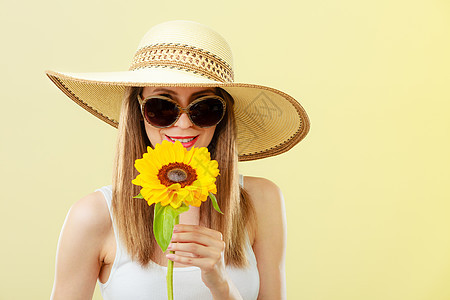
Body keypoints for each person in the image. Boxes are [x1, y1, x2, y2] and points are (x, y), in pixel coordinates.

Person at [47, 20, 310, 300]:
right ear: (137, 111)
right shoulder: (94, 216)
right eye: (162, 106)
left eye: (204, 108)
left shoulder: (260, 201)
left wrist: (221, 285)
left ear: (222, 118)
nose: (184, 124)